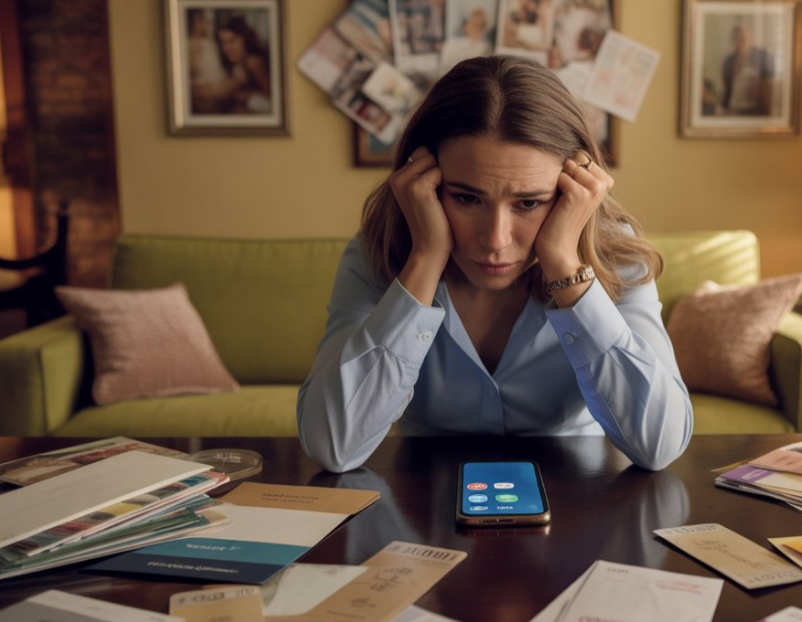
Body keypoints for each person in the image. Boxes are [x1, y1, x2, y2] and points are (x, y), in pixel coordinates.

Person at [297, 56, 693, 473]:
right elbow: (332, 447)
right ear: (423, 183)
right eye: (467, 198)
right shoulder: (376, 256)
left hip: (579, 506)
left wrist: (563, 264)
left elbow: (660, 445)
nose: (495, 241)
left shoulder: (617, 258)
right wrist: (427, 257)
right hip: (422, 510)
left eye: (528, 203)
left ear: (573, 190)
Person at [720, 21, 775, 116]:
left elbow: (768, 89)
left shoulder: (762, 57)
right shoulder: (729, 62)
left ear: (751, 36)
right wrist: (722, 108)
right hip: (735, 110)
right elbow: (727, 90)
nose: (742, 38)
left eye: (745, 35)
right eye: (738, 36)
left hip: (755, 112)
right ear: (734, 39)